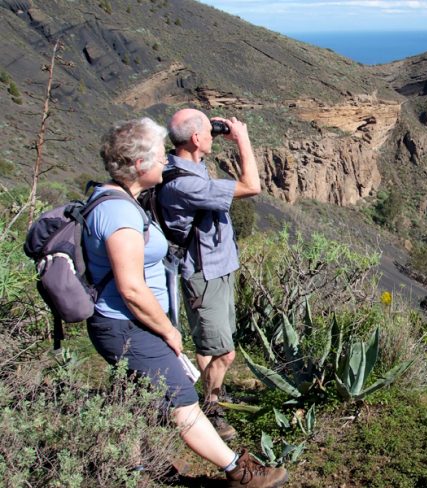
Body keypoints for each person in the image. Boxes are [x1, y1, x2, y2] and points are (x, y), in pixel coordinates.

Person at [85, 117, 286, 487]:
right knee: (182, 404)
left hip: (135, 321)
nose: (166, 161)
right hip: (130, 322)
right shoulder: (120, 212)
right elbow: (130, 288)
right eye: (161, 156)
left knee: (146, 397)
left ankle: (141, 465)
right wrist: (168, 331)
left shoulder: (123, 199)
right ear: (141, 164)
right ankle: (240, 473)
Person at [159, 108, 261, 440]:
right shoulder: (185, 183)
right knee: (224, 352)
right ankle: (212, 408)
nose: (213, 134)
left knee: (208, 344)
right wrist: (242, 140)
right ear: (195, 138)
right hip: (204, 274)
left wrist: (212, 136)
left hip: (219, 267)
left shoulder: (189, 167)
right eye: (208, 130)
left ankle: (213, 392)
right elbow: (252, 186)